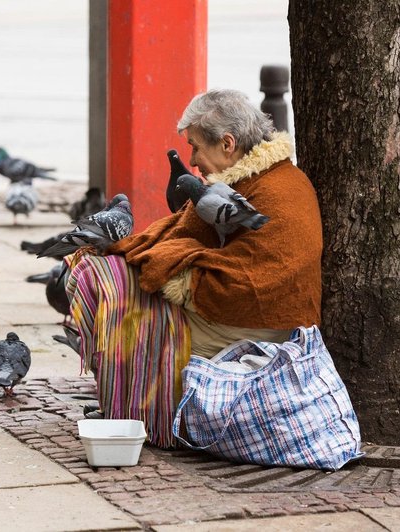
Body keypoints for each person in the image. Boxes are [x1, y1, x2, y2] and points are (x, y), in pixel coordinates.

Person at [65, 89, 323, 448]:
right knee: (106, 280)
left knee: (128, 321)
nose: (193, 160)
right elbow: (183, 231)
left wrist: (175, 265)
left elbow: (253, 281)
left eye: (196, 147)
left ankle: (147, 415)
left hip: (260, 322)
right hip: (237, 309)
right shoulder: (248, 178)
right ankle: (132, 404)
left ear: (228, 144)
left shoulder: (278, 187)